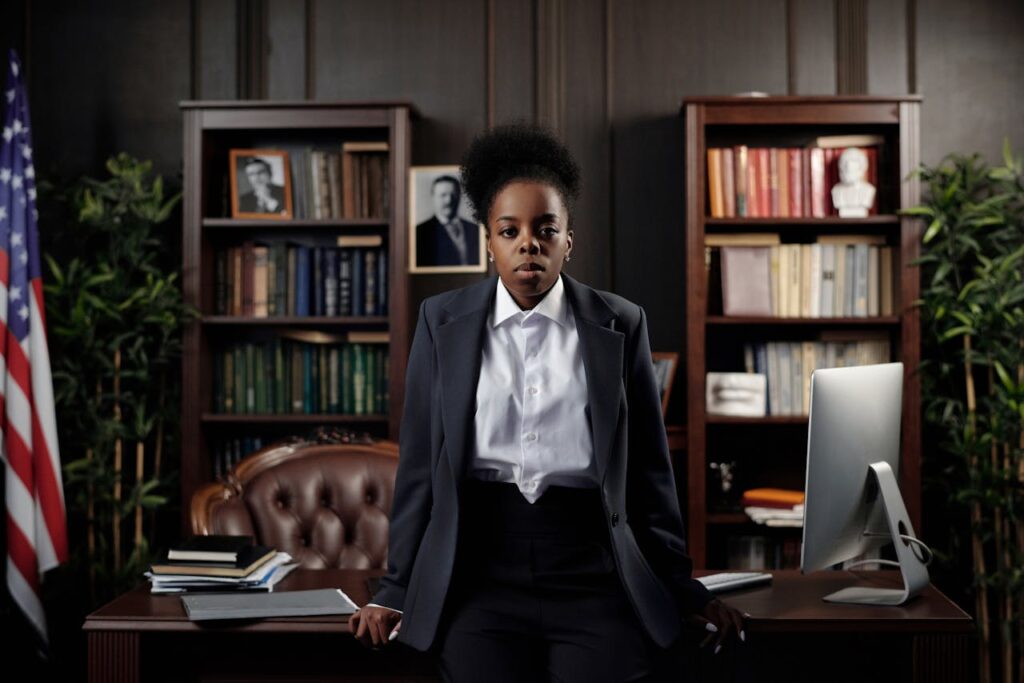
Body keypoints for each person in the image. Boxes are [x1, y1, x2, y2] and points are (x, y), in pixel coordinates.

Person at [350, 124, 747, 682]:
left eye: (545, 229)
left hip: (591, 571)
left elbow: (650, 475)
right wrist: (395, 589)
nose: (527, 244)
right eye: (509, 230)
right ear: (489, 241)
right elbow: (419, 469)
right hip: (479, 574)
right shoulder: (441, 323)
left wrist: (684, 589)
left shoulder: (620, 323)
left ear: (568, 240)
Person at [415, 175, 480, 266]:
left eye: (453, 194)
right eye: (443, 195)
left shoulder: (475, 230)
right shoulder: (420, 233)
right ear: (433, 197)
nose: (449, 200)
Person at [831, 147, 875, 217]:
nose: (846, 173)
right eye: (844, 169)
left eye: (852, 171)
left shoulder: (869, 190)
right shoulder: (836, 190)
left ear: (861, 170)